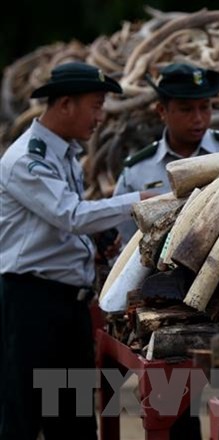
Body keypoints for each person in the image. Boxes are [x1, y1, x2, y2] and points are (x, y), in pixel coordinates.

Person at [0, 62, 154, 439]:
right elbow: (70, 215)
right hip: (31, 304)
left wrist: (96, 242)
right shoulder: (28, 158)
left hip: (67, 306)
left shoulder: (64, 153)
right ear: (65, 104)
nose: (101, 117)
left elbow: (58, 225)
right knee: (22, 419)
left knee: (72, 421)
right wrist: (142, 200)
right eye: (96, 106)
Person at [113, 63, 219, 244]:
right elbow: (128, 238)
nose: (198, 118)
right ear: (162, 111)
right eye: (186, 109)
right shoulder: (137, 170)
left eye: (205, 107)